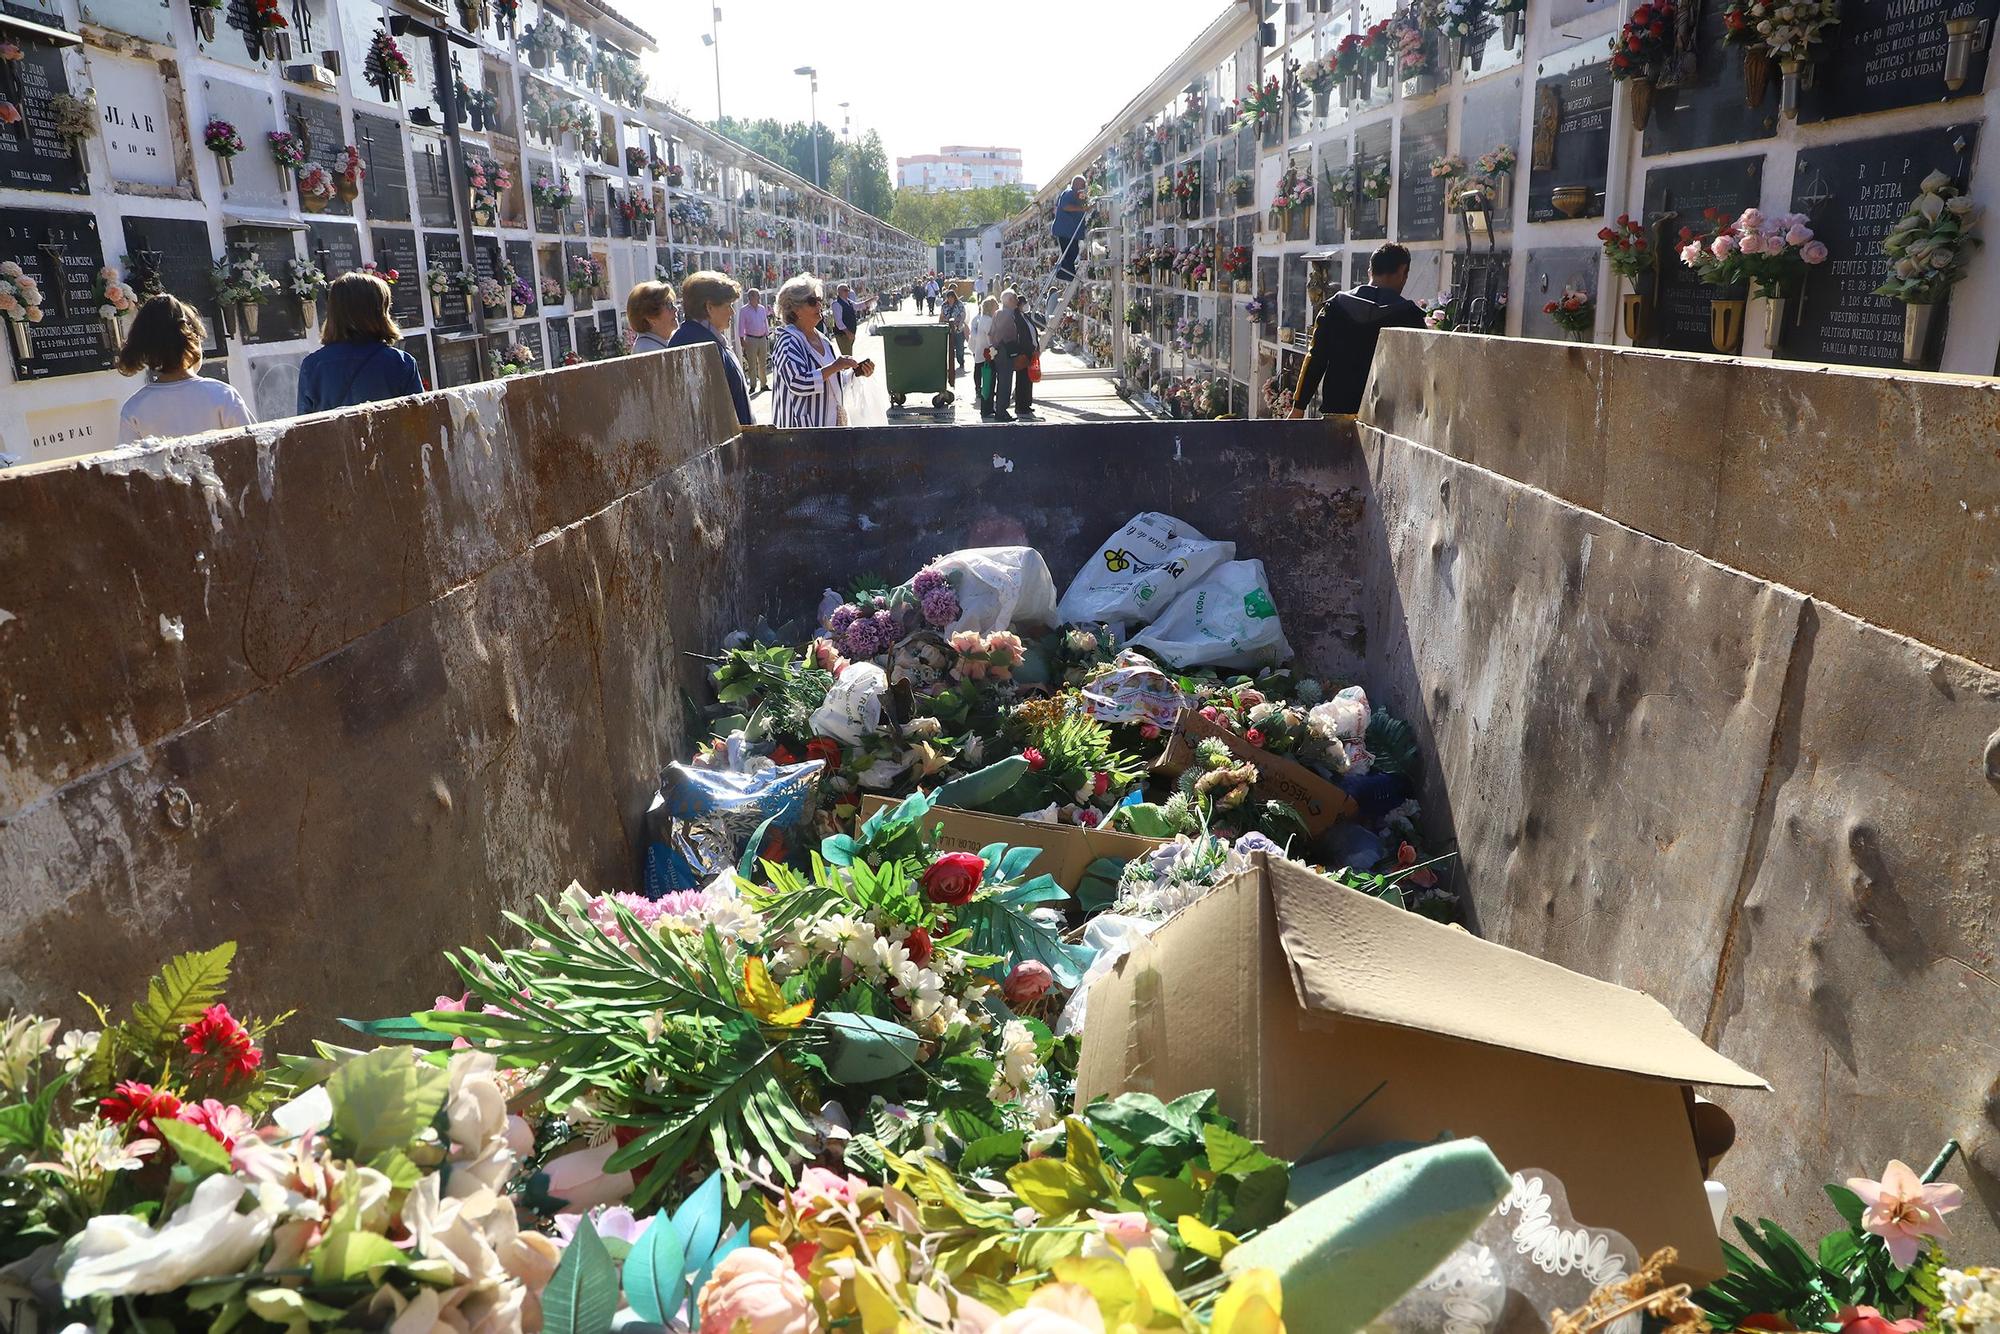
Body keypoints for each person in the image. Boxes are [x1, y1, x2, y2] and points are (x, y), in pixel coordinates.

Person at [1290, 243, 1425, 417]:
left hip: (1337, 413)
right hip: (1385, 419)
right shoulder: (1409, 316)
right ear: (1402, 271)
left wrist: (1298, 407)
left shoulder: (1335, 306)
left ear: (1370, 270)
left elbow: (1316, 357)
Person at [116, 294, 254, 444]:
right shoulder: (222, 395)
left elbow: (129, 463)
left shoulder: (135, 407)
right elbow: (254, 447)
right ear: (192, 341)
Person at [295, 272, 427, 416]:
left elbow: (304, 428)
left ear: (334, 313)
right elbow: (419, 419)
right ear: (380, 313)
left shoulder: (313, 366)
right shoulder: (401, 362)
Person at [770, 273, 874, 428]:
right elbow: (798, 382)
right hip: (799, 436)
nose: (819, 305)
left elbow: (832, 381)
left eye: (819, 300)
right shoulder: (788, 341)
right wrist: (835, 366)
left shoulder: (822, 339)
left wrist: (856, 371)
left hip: (829, 429)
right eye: (812, 302)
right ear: (795, 309)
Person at [667, 269, 752, 426]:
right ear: (709, 307)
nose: (732, 312)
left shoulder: (707, 337)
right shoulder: (693, 344)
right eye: (728, 305)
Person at [987, 288, 1039, 423]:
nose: (1017, 301)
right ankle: (1001, 412)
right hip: (1005, 353)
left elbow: (991, 333)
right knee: (1005, 384)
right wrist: (1014, 346)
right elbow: (1007, 334)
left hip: (1001, 351)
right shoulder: (1006, 314)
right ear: (1009, 300)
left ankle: (1001, 410)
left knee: (1004, 383)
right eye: (1015, 298)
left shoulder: (999, 313)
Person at [1052, 174, 1091, 284]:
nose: (1084, 186)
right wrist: (1082, 208)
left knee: (1072, 252)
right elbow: (1066, 206)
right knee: (1071, 252)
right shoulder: (1069, 193)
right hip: (1065, 230)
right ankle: (1066, 273)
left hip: (1070, 231)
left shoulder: (1076, 194)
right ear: (1076, 184)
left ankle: (1067, 273)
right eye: (1082, 184)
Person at [967, 295, 1000, 419]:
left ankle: (987, 408)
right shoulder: (989, 321)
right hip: (987, 356)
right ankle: (987, 409)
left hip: (981, 354)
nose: (997, 307)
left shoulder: (984, 319)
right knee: (989, 384)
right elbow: (991, 339)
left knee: (987, 383)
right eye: (996, 305)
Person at [627, 279, 680, 352]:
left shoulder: (662, 342)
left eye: (673, 304)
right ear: (650, 317)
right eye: (669, 305)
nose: (676, 309)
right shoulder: (647, 350)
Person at [736, 287, 772, 393]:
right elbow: (741, 325)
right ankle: (752, 385)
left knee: (762, 362)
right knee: (752, 363)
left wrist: (767, 333)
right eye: (757, 296)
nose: (759, 298)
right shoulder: (744, 310)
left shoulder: (761, 308)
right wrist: (742, 339)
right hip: (751, 339)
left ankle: (763, 384)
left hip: (762, 338)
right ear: (751, 297)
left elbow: (765, 322)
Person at [939, 285, 967, 380]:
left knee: (959, 347)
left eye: (952, 297)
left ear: (954, 297)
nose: (950, 299)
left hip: (958, 329)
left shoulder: (960, 304)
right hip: (947, 329)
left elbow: (963, 315)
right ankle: (948, 366)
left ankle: (961, 361)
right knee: (948, 348)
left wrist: (959, 323)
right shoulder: (944, 305)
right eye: (948, 297)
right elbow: (942, 316)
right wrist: (940, 325)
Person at [829, 282, 859, 358]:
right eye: (845, 290)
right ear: (839, 292)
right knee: (847, 356)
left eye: (848, 290)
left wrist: (869, 302)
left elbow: (858, 306)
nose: (847, 292)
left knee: (849, 355)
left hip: (849, 333)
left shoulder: (849, 302)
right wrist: (848, 332)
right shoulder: (837, 304)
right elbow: (839, 322)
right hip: (843, 334)